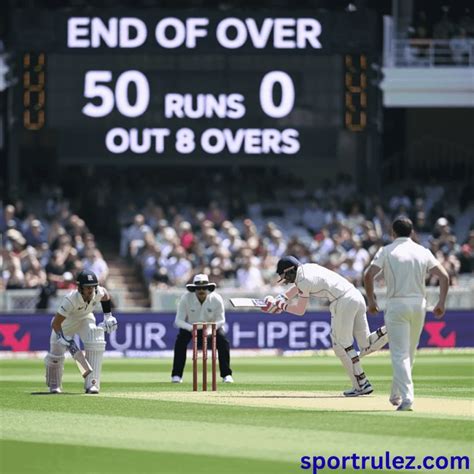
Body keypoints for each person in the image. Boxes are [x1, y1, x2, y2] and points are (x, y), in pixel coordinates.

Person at [262, 256, 388, 397]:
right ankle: (391, 329)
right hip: (356, 296)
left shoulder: (303, 280)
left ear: (291, 270)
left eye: (285, 276)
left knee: (341, 346)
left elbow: (300, 310)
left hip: (343, 301)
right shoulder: (307, 267)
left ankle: (361, 384)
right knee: (365, 344)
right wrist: (283, 297)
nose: (285, 280)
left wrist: (280, 305)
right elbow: (299, 287)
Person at [364, 216, 449, 411]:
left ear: (392, 233)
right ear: (412, 232)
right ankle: (396, 394)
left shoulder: (386, 251)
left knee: (400, 353)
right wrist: (441, 303)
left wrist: (372, 301)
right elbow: (444, 276)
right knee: (409, 352)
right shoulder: (422, 251)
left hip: (397, 304)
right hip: (419, 304)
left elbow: (369, 275)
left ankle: (408, 398)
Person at [44, 269, 118, 394]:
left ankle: (92, 384)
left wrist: (108, 316)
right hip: (64, 325)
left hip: (85, 319)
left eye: (93, 287)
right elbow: (55, 323)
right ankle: (54, 385)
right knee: (56, 356)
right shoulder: (70, 299)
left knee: (95, 339)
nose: (90, 290)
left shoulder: (98, 291)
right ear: (80, 288)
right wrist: (62, 338)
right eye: (87, 287)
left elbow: (106, 295)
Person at [171, 273, 233, 384]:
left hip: (210, 327)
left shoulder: (216, 299)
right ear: (194, 289)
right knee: (180, 342)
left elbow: (221, 320)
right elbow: (178, 321)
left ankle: (226, 375)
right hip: (191, 327)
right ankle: (177, 375)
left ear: (208, 288)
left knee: (223, 341)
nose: (201, 290)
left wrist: (210, 330)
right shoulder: (186, 298)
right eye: (198, 288)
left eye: (204, 288)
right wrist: (191, 328)